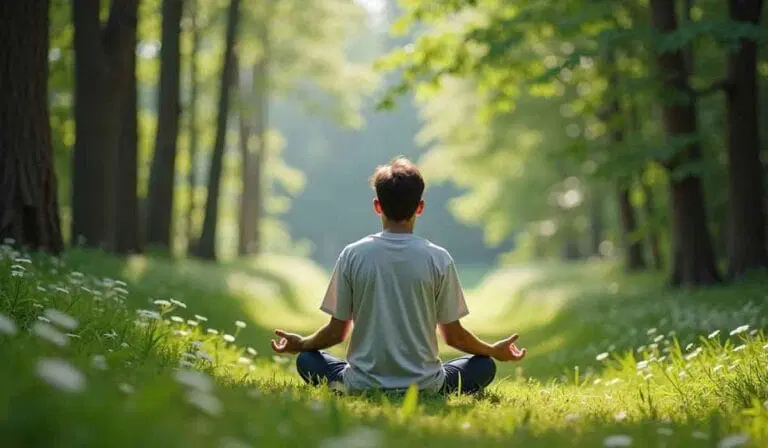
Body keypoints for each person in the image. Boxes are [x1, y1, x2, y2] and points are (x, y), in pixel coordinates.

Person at [270, 157, 526, 395]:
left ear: (377, 206)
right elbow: (454, 336)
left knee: (307, 359)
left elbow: (337, 333)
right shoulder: (438, 258)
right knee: (484, 365)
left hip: (360, 383)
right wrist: (492, 350)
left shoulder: (352, 255)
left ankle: (351, 382)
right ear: (420, 207)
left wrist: (302, 344)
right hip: (426, 385)